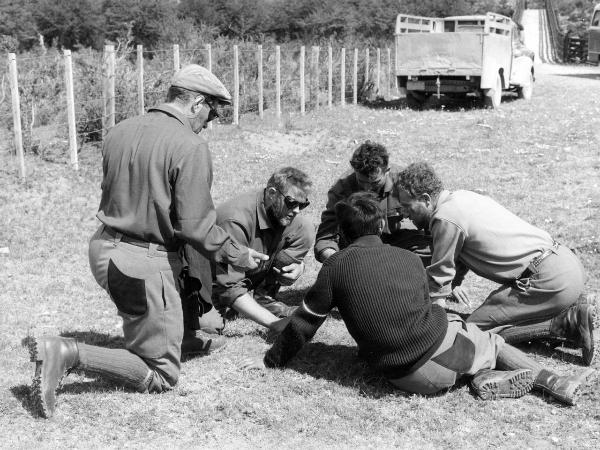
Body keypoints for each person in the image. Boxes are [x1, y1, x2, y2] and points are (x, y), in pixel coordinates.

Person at [27, 64, 269, 419]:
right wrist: (237, 254)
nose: (209, 123)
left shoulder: (119, 131)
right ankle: (67, 353)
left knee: (161, 309)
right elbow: (196, 226)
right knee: (161, 373)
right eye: (211, 113)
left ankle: (176, 335)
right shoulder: (190, 146)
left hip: (104, 248)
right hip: (142, 262)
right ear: (197, 102)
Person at [242, 193, 593, 405]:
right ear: (380, 228)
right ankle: (551, 380)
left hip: (405, 377)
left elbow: (304, 325)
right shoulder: (409, 259)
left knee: (462, 336)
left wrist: (273, 360)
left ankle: (483, 377)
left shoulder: (335, 266)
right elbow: (424, 309)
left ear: (344, 234)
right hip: (446, 354)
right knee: (489, 339)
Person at [395, 161, 595, 366]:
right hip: (566, 265)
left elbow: (440, 275)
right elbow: (459, 257)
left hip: (547, 279)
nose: (404, 213)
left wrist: (428, 317)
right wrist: (453, 286)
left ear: (426, 199)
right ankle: (568, 312)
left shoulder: (446, 218)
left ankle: (565, 323)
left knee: (472, 332)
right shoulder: (463, 197)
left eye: (407, 206)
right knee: (488, 324)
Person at [182, 167, 314, 335]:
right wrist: (275, 323)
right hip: (209, 280)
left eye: (303, 205)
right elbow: (230, 287)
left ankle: (264, 298)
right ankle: (217, 301)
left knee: (305, 229)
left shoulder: (281, 213)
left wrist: (299, 267)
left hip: (246, 271)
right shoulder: (236, 221)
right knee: (210, 327)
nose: (296, 210)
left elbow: (299, 232)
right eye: (291, 202)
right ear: (272, 193)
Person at [314, 141, 431, 265]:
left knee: (427, 249)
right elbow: (326, 239)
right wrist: (338, 262)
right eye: (361, 182)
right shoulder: (341, 190)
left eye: (374, 183)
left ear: (387, 171)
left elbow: (427, 218)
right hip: (358, 249)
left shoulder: (404, 183)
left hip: (395, 243)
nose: (367, 189)